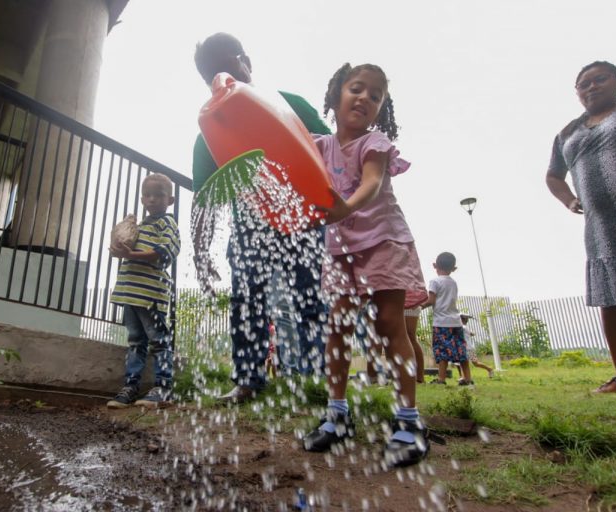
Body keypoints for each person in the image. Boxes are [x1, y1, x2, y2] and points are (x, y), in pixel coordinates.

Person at [301, 62, 430, 468]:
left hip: (382, 241)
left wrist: (344, 208)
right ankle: (337, 413)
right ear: (336, 94)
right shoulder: (320, 146)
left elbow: (372, 183)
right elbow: (289, 161)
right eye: (357, 88)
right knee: (338, 326)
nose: (366, 98)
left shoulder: (374, 143)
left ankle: (408, 421)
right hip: (342, 250)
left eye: (376, 96)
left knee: (388, 324)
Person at [191, 33, 331, 403]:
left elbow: (334, 155)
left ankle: (314, 379)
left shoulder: (288, 104)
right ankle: (248, 379)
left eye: (228, 66)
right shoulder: (210, 133)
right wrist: (200, 253)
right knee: (247, 302)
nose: (222, 79)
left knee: (311, 298)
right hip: (250, 229)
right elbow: (204, 199)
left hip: (305, 219)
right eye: (212, 75)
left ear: (246, 61)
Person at [546, 61, 616, 394]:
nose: (591, 87)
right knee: (612, 298)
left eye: (599, 80)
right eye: (584, 84)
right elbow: (553, 175)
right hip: (601, 226)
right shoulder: (568, 132)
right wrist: (568, 200)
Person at [107, 174, 181, 408]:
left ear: (170, 200)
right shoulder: (139, 227)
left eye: (158, 195)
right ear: (142, 199)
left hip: (151, 295)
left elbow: (163, 253)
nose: (152, 199)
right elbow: (126, 250)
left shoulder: (166, 224)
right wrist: (119, 247)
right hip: (130, 293)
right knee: (135, 341)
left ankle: (164, 387)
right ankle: (131, 386)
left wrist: (129, 255)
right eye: (147, 195)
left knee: (159, 340)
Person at [421, 252, 472, 386]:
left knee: (441, 351)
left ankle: (441, 379)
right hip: (456, 322)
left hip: (441, 323)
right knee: (461, 351)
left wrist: (419, 307)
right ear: (453, 269)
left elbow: (431, 300)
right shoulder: (453, 283)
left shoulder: (434, 281)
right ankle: (468, 378)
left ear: (434, 265)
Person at [459, 313, 494, 378]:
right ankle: (463, 377)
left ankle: (489, 369)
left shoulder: (462, 327)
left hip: (467, 348)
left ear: (462, 320)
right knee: (464, 362)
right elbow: (472, 333)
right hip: (467, 348)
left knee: (474, 363)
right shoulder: (465, 328)